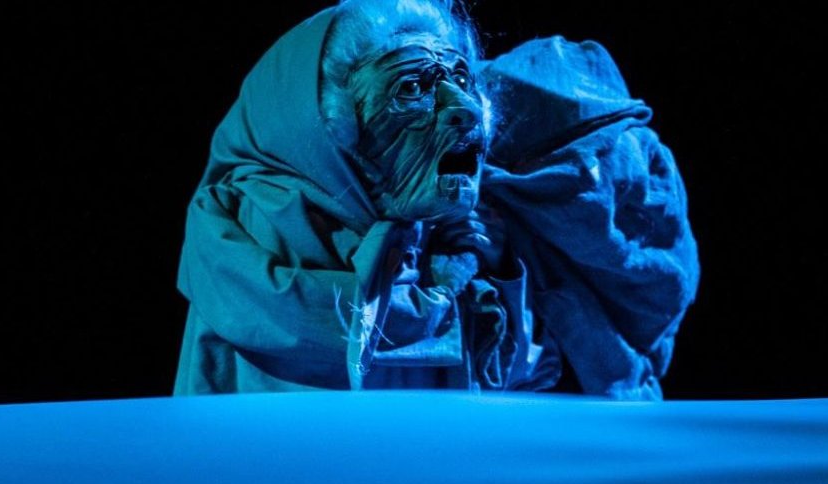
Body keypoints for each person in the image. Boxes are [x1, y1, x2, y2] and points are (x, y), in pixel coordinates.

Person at [173, 0, 699, 400]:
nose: (466, 108)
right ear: (332, 132)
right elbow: (316, 347)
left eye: (461, 79)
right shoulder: (260, 223)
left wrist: (496, 270)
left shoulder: (441, 237)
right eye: (412, 88)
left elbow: (510, 381)